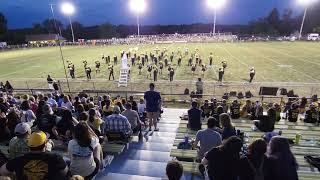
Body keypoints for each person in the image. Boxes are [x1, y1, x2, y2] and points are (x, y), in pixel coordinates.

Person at [0, 131, 68, 180]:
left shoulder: (18, 160)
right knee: (66, 161)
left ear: (29, 145)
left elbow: (3, 171)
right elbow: (65, 172)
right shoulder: (55, 158)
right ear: (45, 144)